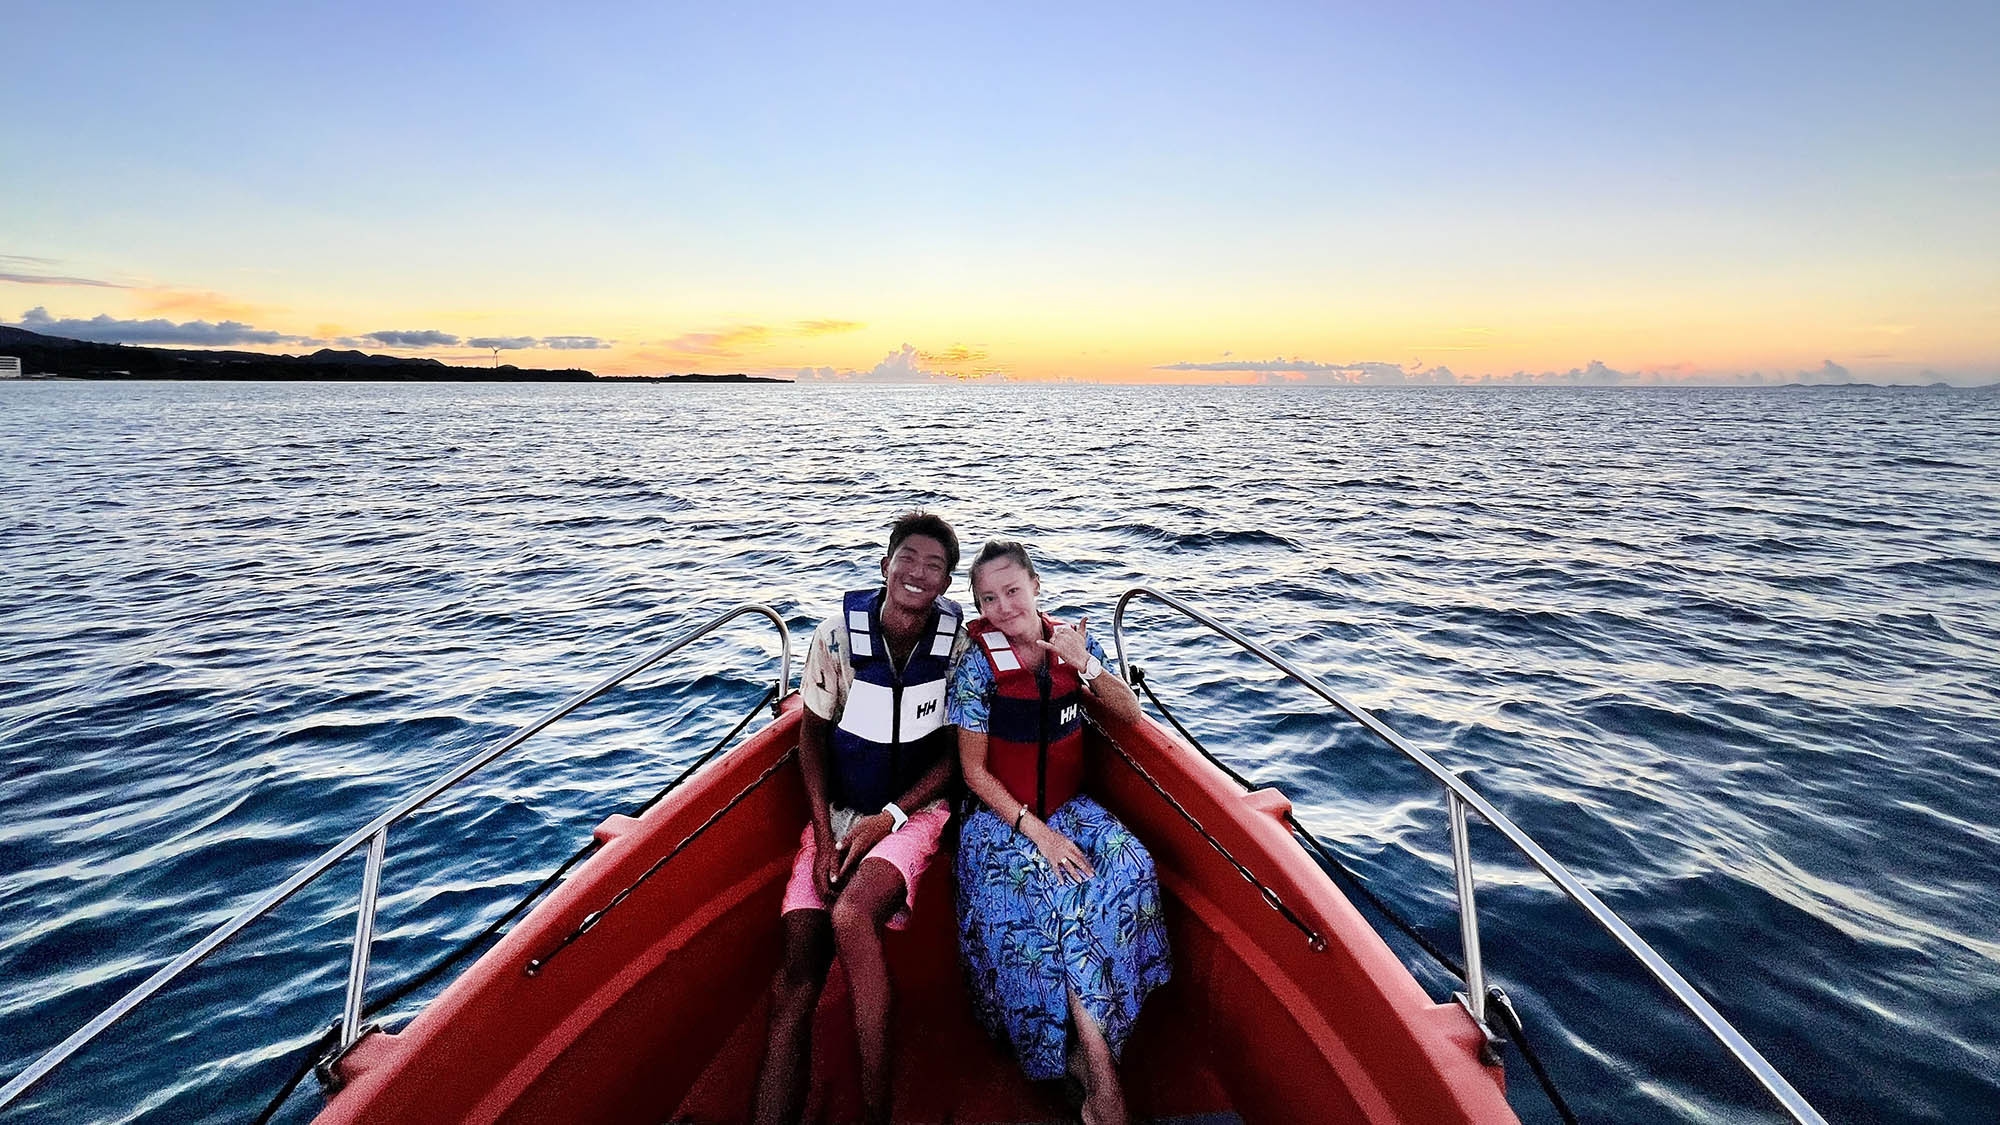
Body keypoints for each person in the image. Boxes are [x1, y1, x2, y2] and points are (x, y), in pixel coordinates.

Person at [752, 511, 969, 1125]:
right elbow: (812, 742)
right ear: (885, 565)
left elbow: (958, 753)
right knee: (795, 978)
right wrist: (825, 840)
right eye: (909, 558)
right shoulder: (836, 639)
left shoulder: (956, 645)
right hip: (840, 814)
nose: (919, 574)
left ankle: (876, 1113)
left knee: (851, 914)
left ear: (947, 584)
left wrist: (892, 816)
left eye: (935, 566)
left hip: (918, 812)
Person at [948, 540, 1171, 1125]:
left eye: (1012, 591)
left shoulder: (1074, 644)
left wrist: (1088, 663)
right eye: (987, 598)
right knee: (1050, 906)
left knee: (1131, 865)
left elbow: (1130, 714)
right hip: (1002, 819)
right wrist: (1035, 833)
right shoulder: (977, 666)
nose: (1002, 607)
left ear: (1037, 585)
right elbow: (973, 772)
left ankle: (1100, 1042)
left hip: (1071, 808)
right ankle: (1100, 1079)